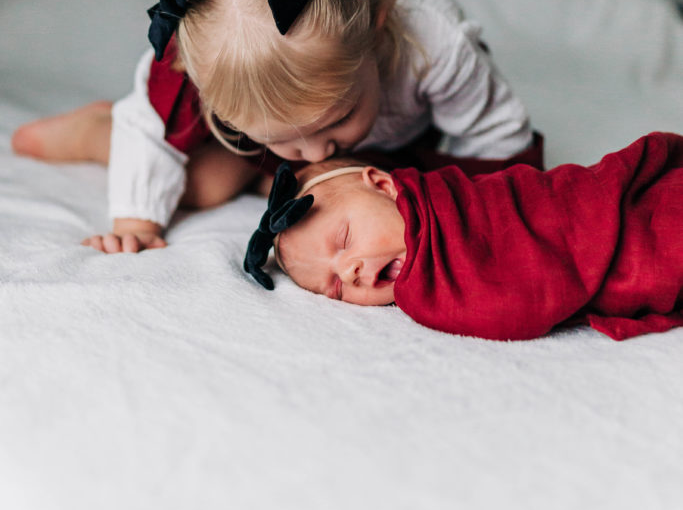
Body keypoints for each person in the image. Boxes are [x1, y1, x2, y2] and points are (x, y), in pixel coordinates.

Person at [12, 0, 540, 254]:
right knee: (203, 186)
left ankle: (266, 168)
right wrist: (136, 222)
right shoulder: (204, 56)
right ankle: (95, 130)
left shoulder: (433, 42)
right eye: (285, 138)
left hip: (398, 143)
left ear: (376, 32)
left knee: (367, 200)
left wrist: (493, 220)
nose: (311, 152)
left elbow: (495, 137)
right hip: (249, 131)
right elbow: (154, 133)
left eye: (338, 117)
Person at [248, 132, 683, 341]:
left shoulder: (450, 201)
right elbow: (510, 307)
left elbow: (537, 206)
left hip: (613, 209)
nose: (352, 269)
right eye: (337, 287)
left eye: (343, 239)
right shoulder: (429, 286)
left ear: (383, 185)